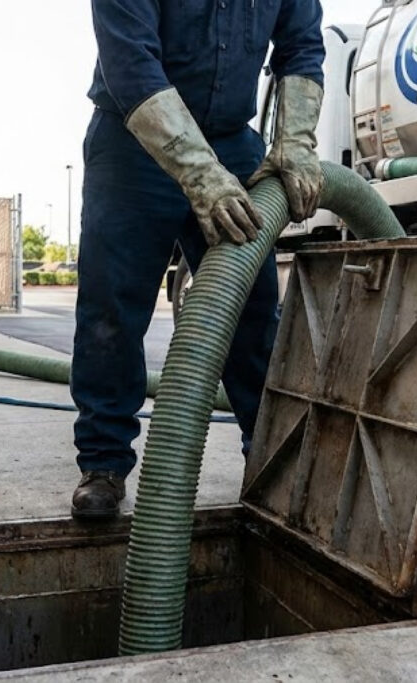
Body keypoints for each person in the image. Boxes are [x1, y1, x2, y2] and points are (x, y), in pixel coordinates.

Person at [70, 0, 326, 519]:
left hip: (232, 140)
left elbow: (301, 47)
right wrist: (197, 172)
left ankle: (269, 454)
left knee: (252, 313)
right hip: (132, 141)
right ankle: (103, 464)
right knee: (112, 311)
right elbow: (130, 62)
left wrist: (295, 140)